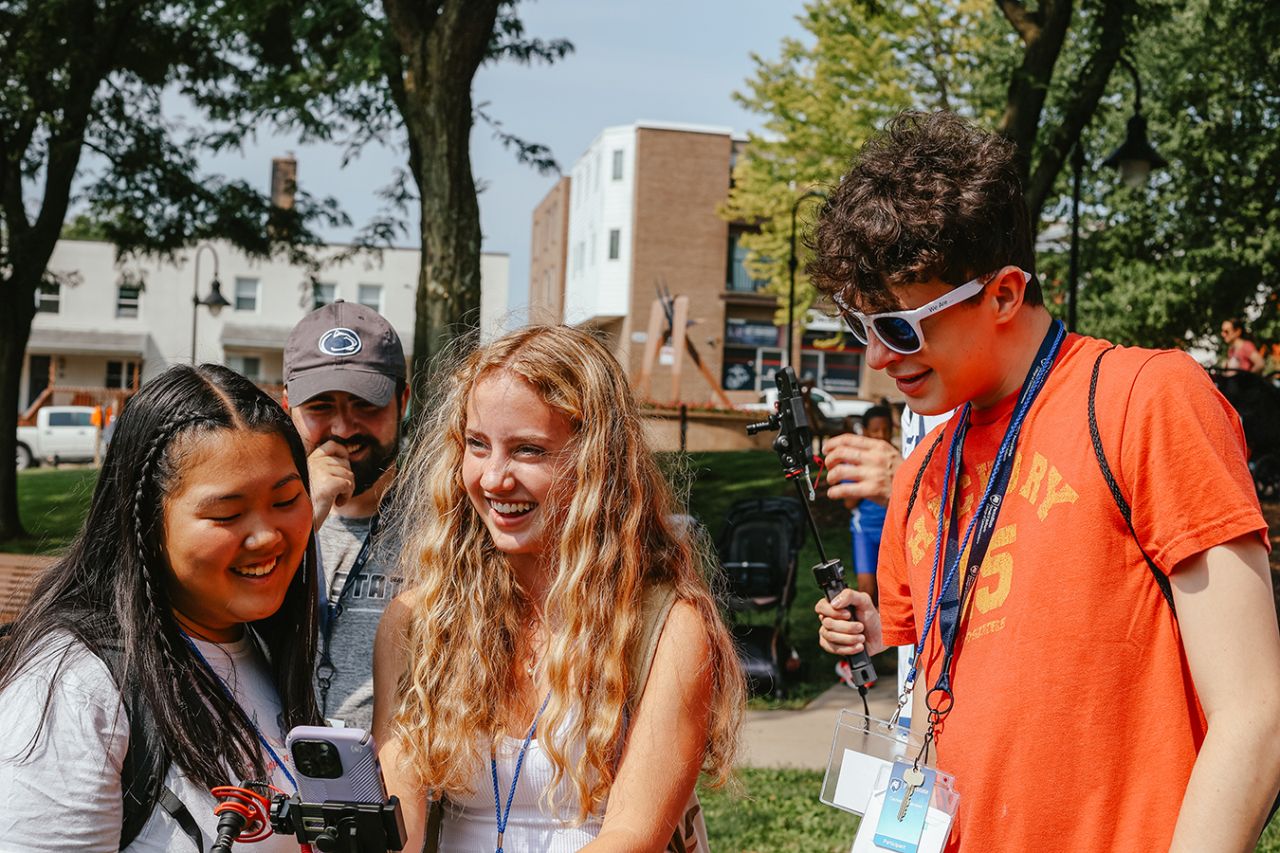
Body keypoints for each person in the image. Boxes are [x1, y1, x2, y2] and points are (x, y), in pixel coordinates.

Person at [811, 111, 1280, 852]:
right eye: (856, 325)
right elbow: (935, 715)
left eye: (898, 328)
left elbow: (1257, 712)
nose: (875, 357)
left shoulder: (1145, 399)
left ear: (1002, 294)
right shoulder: (921, 477)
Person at [372, 325, 744, 852]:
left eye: (528, 450)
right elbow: (399, 829)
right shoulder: (418, 622)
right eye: (477, 445)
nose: (493, 478)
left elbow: (632, 837)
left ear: (597, 463)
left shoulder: (667, 629)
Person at [0, 364, 320, 851]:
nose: (268, 536)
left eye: (287, 499)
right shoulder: (75, 686)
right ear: (146, 521)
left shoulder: (261, 641)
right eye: (227, 514)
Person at [283, 299, 409, 730]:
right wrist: (304, 515)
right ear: (288, 407)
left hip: (402, 786)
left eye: (365, 403)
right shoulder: (256, 523)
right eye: (320, 406)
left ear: (403, 400)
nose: (342, 427)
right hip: (279, 782)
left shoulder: (446, 524)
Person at [849, 405, 894, 605]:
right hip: (864, 530)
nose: (881, 436)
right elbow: (849, 502)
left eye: (886, 430)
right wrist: (869, 481)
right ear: (866, 432)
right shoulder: (855, 462)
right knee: (867, 589)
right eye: (875, 431)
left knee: (891, 590)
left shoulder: (898, 460)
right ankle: (867, 633)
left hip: (891, 531)